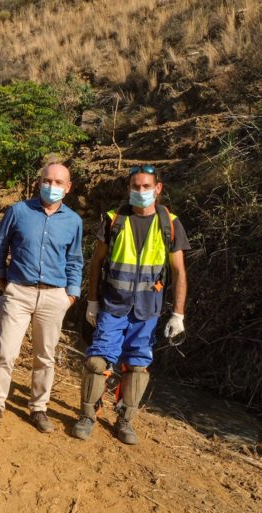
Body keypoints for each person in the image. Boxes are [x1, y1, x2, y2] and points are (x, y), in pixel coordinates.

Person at [73, 164, 189, 445]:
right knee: (97, 361)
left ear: (157, 189)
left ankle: (125, 419)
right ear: (129, 188)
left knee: (137, 367)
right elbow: (97, 262)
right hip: (113, 306)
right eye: (136, 186)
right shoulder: (114, 219)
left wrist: (178, 314)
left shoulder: (170, 223)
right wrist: (91, 301)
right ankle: (88, 415)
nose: (141, 192)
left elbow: (179, 272)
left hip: (147, 310)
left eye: (146, 187)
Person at [0, 162, 83, 434]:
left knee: (45, 357)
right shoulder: (19, 211)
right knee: (5, 352)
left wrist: (71, 294)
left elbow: (74, 259)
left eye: (58, 182)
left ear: (68, 187)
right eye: (47, 181)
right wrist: (1, 277)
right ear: (39, 182)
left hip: (54, 296)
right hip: (19, 292)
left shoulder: (73, 221)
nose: (52, 186)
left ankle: (39, 408)